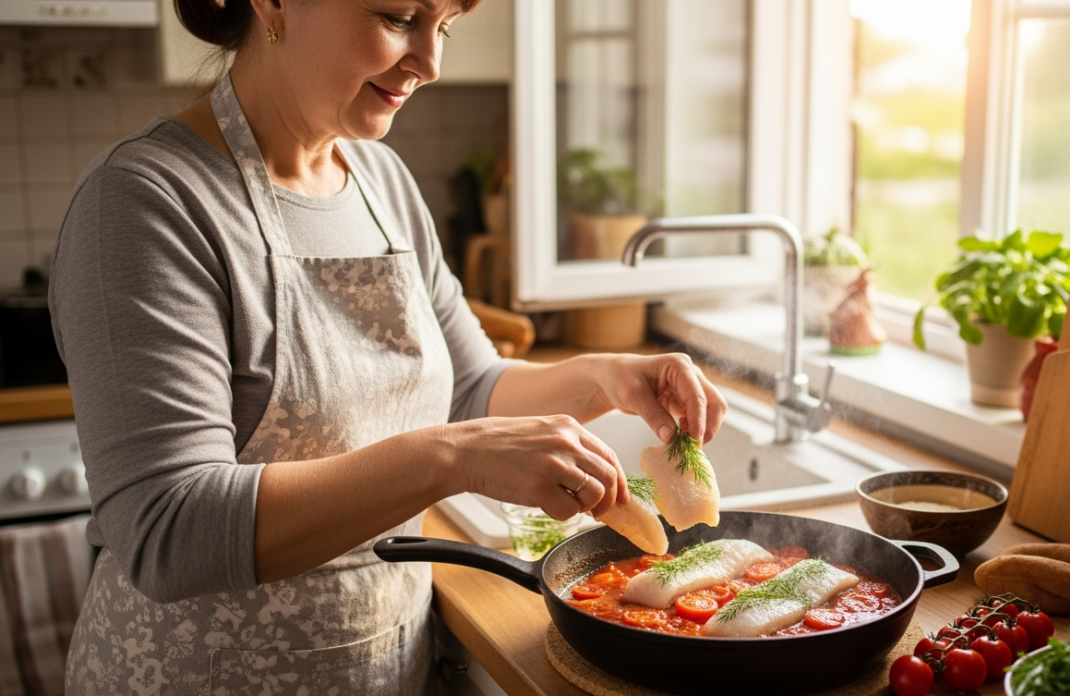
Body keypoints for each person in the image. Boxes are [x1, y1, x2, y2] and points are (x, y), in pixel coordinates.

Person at [50, 0, 727, 692]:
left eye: (445, 28)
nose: (430, 63)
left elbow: (466, 388)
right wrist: (454, 458)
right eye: (400, 16)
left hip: (384, 664)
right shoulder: (144, 203)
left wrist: (607, 379)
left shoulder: (382, 182)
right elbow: (169, 531)